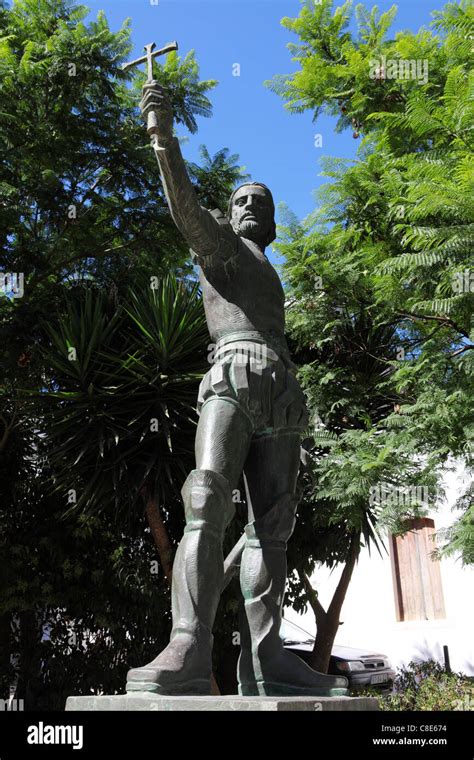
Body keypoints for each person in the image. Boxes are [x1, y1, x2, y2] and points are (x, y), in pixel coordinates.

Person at [126, 82, 348, 697]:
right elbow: (185, 210)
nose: (250, 204)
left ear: (273, 221)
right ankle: (189, 646)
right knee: (206, 499)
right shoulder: (219, 248)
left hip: (281, 388)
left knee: (273, 524)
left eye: (261, 201)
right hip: (230, 374)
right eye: (241, 198)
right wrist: (163, 136)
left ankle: (266, 657)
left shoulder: (267, 269)